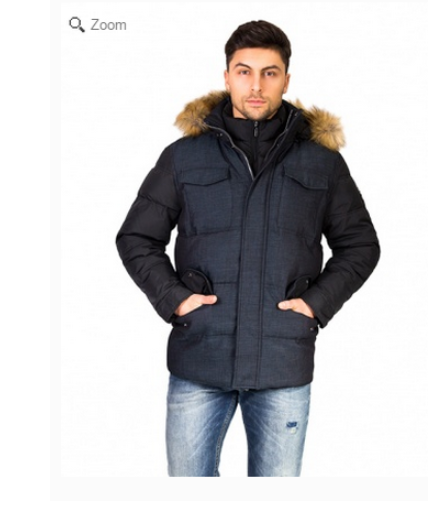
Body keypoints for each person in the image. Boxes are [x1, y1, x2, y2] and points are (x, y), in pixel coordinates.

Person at [116, 20, 380, 477]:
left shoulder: (321, 161)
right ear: (227, 77)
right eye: (244, 72)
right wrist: (175, 298)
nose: (256, 85)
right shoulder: (184, 156)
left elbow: (360, 245)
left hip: (283, 363)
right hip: (199, 356)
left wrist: (315, 305)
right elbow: (137, 237)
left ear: (286, 80)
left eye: (269, 73)